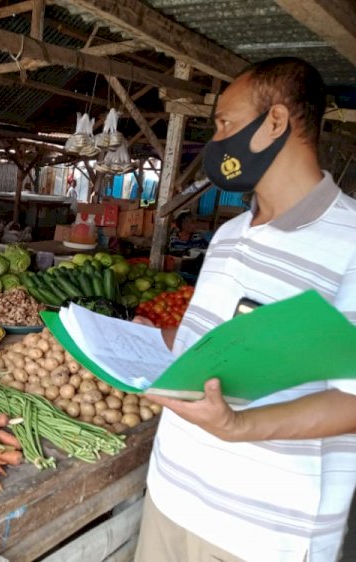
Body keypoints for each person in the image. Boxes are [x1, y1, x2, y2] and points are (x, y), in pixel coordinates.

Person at [134, 57, 356, 562]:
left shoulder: (352, 242)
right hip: (171, 495)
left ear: (275, 122)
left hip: (260, 533)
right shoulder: (231, 235)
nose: (217, 142)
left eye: (225, 124)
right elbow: (209, 347)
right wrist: (147, 342)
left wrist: (239, 428)